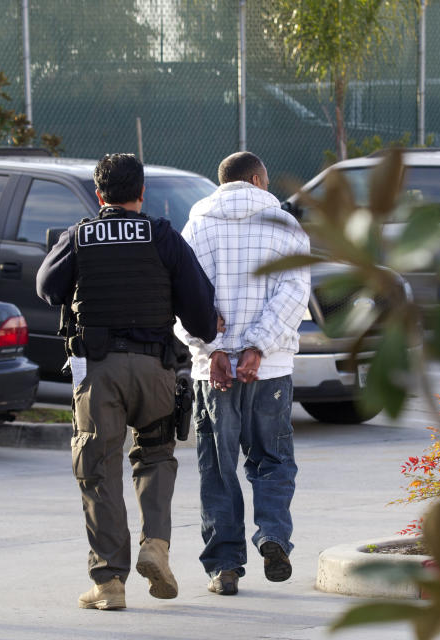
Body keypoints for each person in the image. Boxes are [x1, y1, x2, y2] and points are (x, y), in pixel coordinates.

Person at [37, 153, 219, 610]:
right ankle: (155, 546)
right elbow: (202, 317)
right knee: (156, 457)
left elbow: (46, 287)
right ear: (142, 194)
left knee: (98, 468)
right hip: (155, 370)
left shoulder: (80, 236)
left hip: (99, 372)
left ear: (99, 195)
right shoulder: (163, 236)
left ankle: (109, 583)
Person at [175, 151, 311, 596]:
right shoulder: (285, 226)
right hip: (268, 370)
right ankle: (272, 534)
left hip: (211, 375)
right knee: (272, 461)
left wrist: (214, 349)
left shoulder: (196, 226)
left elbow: (182, 299)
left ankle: (225, 567)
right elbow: (294, 295)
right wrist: (258, 346)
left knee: (218, 467)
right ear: (256, 179)